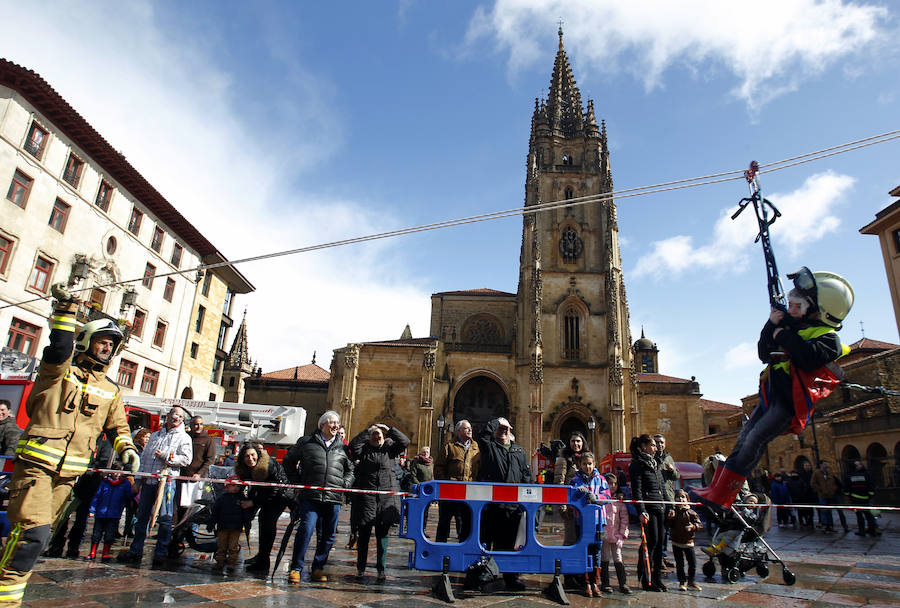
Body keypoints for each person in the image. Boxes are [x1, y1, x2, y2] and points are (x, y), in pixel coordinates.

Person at [0, 284, 140, 606]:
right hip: (36, 468)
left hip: (68, 477)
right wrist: (66, 310)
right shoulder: (59, 373)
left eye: (112, 344)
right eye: (102, 341)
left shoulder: (111, 390)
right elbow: (59, 348)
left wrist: (127, 449)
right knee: (32, 535)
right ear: (87, 341)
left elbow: (117, 427)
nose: (107, 347)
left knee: (34, 538)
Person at [693, 269, 854, 510]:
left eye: (798, 306)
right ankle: (716, 488)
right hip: (772, 396)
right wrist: (772, 324)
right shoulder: (792, 327)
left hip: (789, 402)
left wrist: (783, 335)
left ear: (820, 310)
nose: (791, 310)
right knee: (745, 436)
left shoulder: (829, 339)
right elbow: (763, 352)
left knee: (755, 439)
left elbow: (808, 359)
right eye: (791, 305)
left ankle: (724, 495)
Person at [283, 410, 354, 584]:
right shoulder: (306, 442)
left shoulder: (343, 447)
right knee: (306, 530)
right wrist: (297, 482)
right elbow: (288, 461)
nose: (336, 426)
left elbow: (350, 470)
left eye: (337, 423)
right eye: (332, 422)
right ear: (322, 425)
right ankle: (296, 568)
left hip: (333, 497)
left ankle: (318, 567)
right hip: (310, 496)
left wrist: (344, 485)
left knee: (329, 535)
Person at [117, 406, 192, 565]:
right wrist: (138, 480)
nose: (176, 418)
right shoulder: (155, 435)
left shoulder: (184, 438)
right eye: (174, 415)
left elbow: (186, 459)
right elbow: (144, 459)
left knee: (165, 518)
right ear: (168, 416)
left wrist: (166, 457)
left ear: (182, 420)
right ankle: (136, 550)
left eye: (179, 416)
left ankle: (161, 552)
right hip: (148, 482)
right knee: (141, 517)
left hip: (166, 483)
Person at [348, 424, 409, 580]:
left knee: (383, 537)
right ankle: (361, 568)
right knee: (364, 536)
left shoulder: (390, 449)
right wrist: (368, 429)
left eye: (379, 434)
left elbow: (405, 442)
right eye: (374, 434)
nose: (377, 437)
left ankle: (381, 569)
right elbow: (353, 445)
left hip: (386, 498)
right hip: (367, 498)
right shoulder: (364, 450)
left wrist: (390, 429)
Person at [477, 417, 532, 592]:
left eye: (506, 428)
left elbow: (526, 476)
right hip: (492, 505)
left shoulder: (519, 451)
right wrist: (497, 421)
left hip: (513, 506)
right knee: (487, 541)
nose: (503, 431)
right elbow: (483, 435)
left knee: (510, 543)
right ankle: (482, 574)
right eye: (500, 429)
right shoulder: (490, 447)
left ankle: (511, 577)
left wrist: (527, 501)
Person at [44, 431, 113, 558]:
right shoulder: (81, 434)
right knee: (62, 515)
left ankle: (73, 547)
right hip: (69, 479)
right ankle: (56, 546)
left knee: (81, 520)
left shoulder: (104, 440)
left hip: (88, 484)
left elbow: (103, 460)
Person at [234, 442, 292, 574]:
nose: (250, 459)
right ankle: (261, 556)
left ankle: (264, 561)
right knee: (262, 522)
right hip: (266, 495)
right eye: (247, 456)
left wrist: (254, 502)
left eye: (252, 455)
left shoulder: (268, 465)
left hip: (280, 496)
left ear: (258, 455)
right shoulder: (245, 468)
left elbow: (275, 489)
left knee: (267, 523)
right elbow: (252, 486)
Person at [171, 415, 217, 556]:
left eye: (201, 424)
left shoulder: (208, 440)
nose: (198, 427)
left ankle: (191, 537)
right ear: (190, 425)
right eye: (196, 424)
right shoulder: (185, 437)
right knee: (180, 510)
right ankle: (178, 538)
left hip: (197, 481)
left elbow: (210, 460)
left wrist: (200, 473)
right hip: (181, 479)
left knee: (193, 511)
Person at [629, 434, 666, 592]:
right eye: (653, 445)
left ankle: (657, 578)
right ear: (644, 446)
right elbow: (637, 490)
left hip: (660, 507)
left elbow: (662, 486)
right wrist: (641, 510)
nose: (656, 448)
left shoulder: (655, 463)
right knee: (651, 543)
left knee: (659, 544)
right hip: (649, 509)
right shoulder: (637, 464)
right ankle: (647, 579)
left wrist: (670, 506)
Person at [568, 451, 608, 597]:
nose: (587, 467)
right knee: (584, 550)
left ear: (594, 464)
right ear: (580, 464)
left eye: (590, 464)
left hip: (598, 520)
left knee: (597, 550)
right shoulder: (575, 481)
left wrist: (596, 497)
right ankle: (586, 583)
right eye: (584, 464)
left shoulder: (601, 480)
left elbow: (607, 497)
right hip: (581, 521)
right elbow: (570, 498)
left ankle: (595, 582)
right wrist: (578, 494)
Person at [434, 419, 480, 543]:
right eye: (466, 428)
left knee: (466, 523)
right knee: (444, 523)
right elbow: (439, 467)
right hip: (450, 491)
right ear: (458, 431)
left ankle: (463, 551)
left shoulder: (476, 447)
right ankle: (440, 550)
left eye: (470, 428)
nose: (470, 430)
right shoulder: (449, 446)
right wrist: (446, 483)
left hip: (469, 492)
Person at [87, 467, 132, 562]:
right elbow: (97, 497)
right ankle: (92, 552)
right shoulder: (104, 483)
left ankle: (105, 553)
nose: (116, 474)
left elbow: (129, 496)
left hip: (114, 515)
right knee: (96, 534)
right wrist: (92, 509)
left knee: (109, 535)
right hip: (100, 513)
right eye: (115, 471)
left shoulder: (125, 484)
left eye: (119, 472)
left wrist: (134, 492)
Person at [208, 476, 252, 572]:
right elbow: (215, 513)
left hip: (236, 527)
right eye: (233, 485)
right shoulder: (221, 499)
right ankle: (220, 562)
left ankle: (232, 563)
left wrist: (247, 524)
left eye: (238, 486)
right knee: (221, 546)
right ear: (227, 486)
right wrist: (211, 523)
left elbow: (246, 513)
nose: (235, 488)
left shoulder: (242, 499)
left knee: (233, 547)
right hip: (223, 526)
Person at [665, 489, 703, 591]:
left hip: (688, 542)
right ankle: (682, 582)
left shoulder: (691, 513)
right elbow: (669, 526)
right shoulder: (673, 512)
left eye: (683, 497)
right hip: (676, 541)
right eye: (678, 497)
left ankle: (691, 581)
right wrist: (669, 518)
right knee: (680, 564)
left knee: (692, 563)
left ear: (687, 500)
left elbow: (699, 525)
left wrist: (693, 527)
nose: (681, 499)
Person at [600, 474, 631, 595]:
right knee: (604, 558)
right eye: (610, 483)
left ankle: (623, 583)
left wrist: (622, 535)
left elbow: (624, 519)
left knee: (618, 558)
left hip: (616, 535)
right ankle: (605, 583)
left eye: (615, 483)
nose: (612, 486)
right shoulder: (602, 499)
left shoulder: (619, 502)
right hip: (604, 535)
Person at [654, 434, 679, 570]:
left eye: (661, 443)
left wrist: (672, 470)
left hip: (668, 497)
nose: (659, 445)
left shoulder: (669, 458)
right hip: (657, 498)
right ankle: (657, 558)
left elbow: (677, 476)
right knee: (659, 530)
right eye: (657, 442)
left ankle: (663, 556)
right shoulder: (652, 458)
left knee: (666, 530)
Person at [122, 429, 151, 539]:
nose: (147, 439)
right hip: (132, 480)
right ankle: (127, 529)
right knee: (131, 507)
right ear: (140, 437)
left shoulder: (149, 450)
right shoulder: (135, 450)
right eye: (145, 437)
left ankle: (139, 530)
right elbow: (128, 464)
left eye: (149, 437)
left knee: (142, 508)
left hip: (145, 481)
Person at [843, 460, 881, 536]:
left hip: (855, 499)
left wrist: (849, 496)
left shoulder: (849, 476)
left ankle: (862, 531)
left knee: (859, 516)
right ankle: (872, 530)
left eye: (860, 464)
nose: (860, 466)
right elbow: (871, 486)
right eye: (858, 465)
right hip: (865, 499)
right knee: (868, 515)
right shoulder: (866, 474)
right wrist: (870, 495)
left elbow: (846, 489)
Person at [810, 460, 848, 533]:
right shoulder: (816, 473)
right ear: (821, 465)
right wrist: (820, 490)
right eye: (824, 464)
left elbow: (835, 481)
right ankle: (826, 526)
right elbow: (813, 483)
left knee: (834, 511)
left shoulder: (830, 472)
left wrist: (834, 489)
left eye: (827, 464)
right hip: (822, 495)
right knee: (825, 511)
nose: (826, 466)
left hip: (832, 494)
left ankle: (838, 526)